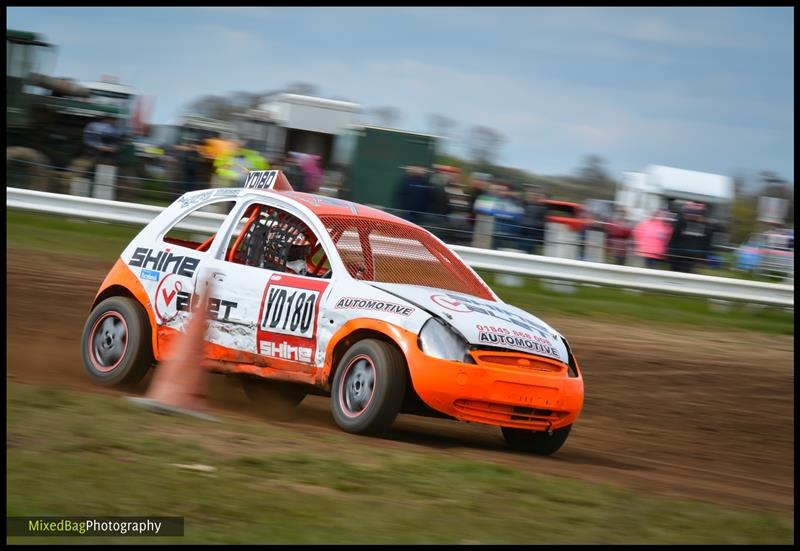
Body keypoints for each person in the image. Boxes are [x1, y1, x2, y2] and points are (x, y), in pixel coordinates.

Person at [667, 202, 713, 273]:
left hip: (691, 256)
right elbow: (674, 236)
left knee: (685, 273)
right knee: (675, 273)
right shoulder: (682, 222)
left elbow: (707, 242)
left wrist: (704, 256)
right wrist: (670, 250)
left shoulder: (705, 226)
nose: (693, 215)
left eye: (696, 213)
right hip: (678, 254)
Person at [82, 115, 120, 180]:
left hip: (104, 155)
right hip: (93, 152)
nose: (115, 122)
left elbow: (113, 142)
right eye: (113, 120)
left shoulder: (111, 128)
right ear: (107, 119)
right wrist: (101, 147)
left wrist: (112, 148)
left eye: (115, 120)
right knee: (91, 168)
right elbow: (89, 140)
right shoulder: (94, 125)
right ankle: (86, 176)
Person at [519, 186, 547, 254]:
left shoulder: (541, 207)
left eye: (534, 195)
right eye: (530, 195)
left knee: (526, 249)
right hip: (527, 231)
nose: (531, 197)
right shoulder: (524, 204)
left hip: (530, 232)